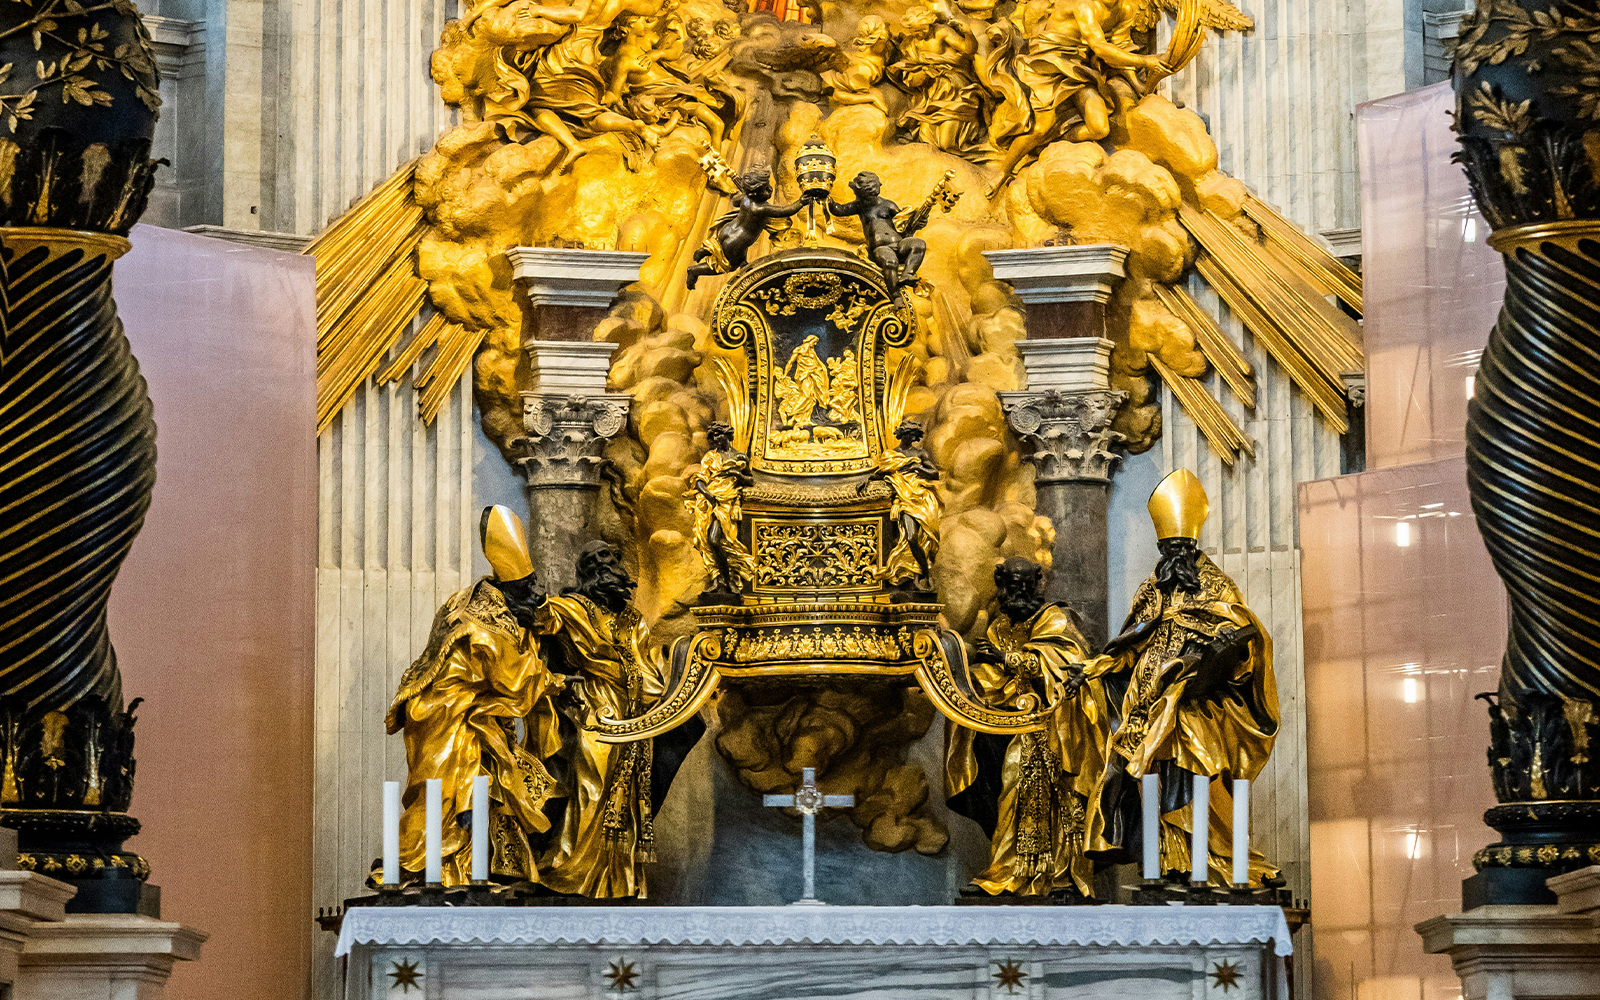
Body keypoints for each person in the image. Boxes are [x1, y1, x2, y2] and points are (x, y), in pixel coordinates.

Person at [1081, 469, 1283, 886]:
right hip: (1145, 703)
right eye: (1166, 548)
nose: (1173, 556)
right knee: (1141, 774)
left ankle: (1218, 859)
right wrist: (1096, 669)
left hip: (1194, 702)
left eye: (1180, 548)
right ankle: (1167, 863)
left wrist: (1212, 655)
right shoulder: (1151, 590)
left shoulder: (1216, 587)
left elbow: (1245, 637)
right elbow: (1128, 644)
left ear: (1192, 548)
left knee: (1198, 767)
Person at [383, 506, 564, 886]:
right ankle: (422, 867)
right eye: (527, 589)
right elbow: (513, 680)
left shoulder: (463, 601)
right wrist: (556, 682)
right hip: (449, 718)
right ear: (508, 588)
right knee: (449, 795)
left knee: (476, 793)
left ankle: (469, 873)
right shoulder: (483, 625)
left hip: (449, 712)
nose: (534, 596)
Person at [950, 558, 1107, 898]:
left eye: (1023, 584)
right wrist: (972, 685)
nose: (1016, 592)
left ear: (1037, 583)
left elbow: (1063, 664)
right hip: (1012, 725)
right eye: (1009, 585)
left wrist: (1007, 660)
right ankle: (1008, 872)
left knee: (1032, 791)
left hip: (1055, 729)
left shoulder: (1054, 617)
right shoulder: (1000, 626)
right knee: (1009, 794)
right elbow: (995, 679)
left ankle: (1059, 875)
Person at [530, 542, 670, 897]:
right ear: (586, 572)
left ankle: (617, 881)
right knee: (591, 784)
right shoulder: (573, 608)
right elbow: (543, 618)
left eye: (612, 558)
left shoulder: (631, 621)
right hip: (592, 711)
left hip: (635, 718)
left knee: (626, 798)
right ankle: (568, 869)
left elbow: (648, 670)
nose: (609, 566)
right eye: (599, 560)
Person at [686, 168, 815, 289]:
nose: (770, 190)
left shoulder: (746, 198)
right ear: (754, 193)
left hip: (727, 230)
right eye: (765, 190)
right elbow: (784, 211)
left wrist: (744, 192)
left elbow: (735, 201)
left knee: (726, 249)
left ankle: (706, 251)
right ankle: (694, 271)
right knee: (728, 265)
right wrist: (801, 202)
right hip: (737, 242)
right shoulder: (760, 208)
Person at [863, 419, 941, 589]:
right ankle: (922, 572)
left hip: (921, 498)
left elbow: (934, 474)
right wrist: (867, 480)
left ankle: (922, 577)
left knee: (920, 538)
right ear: (903, 435)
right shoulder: (892, 454)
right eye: (909, 434)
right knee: (911, 538)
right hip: (904, 500)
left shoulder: (920, 454)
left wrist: (916, 468)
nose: (912, 438)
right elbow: (882, 472)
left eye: (914, 435)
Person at [686, 422, 755, 594]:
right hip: (709, 501)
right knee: (706, 540)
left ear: (728, 436)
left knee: (716, 539)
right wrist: (709, 495)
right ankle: (719, 580)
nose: (715, 438)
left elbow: (751, 481)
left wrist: (737, 474)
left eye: (718, 434)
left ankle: (728, 578)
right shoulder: (710, 457)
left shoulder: (740, 458)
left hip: (727, 502)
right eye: (713, 435)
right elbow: (700, 479)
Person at [827, 172, 926, 291]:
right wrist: (826, 197)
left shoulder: (888, 205)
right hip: (881, 248)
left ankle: (908, 273)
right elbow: (838, 210)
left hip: (900, 245)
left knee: (919, 244)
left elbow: (903, 225)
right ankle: (895, 295)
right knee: (890, 262)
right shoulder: (860, 206)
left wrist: (919, 222)